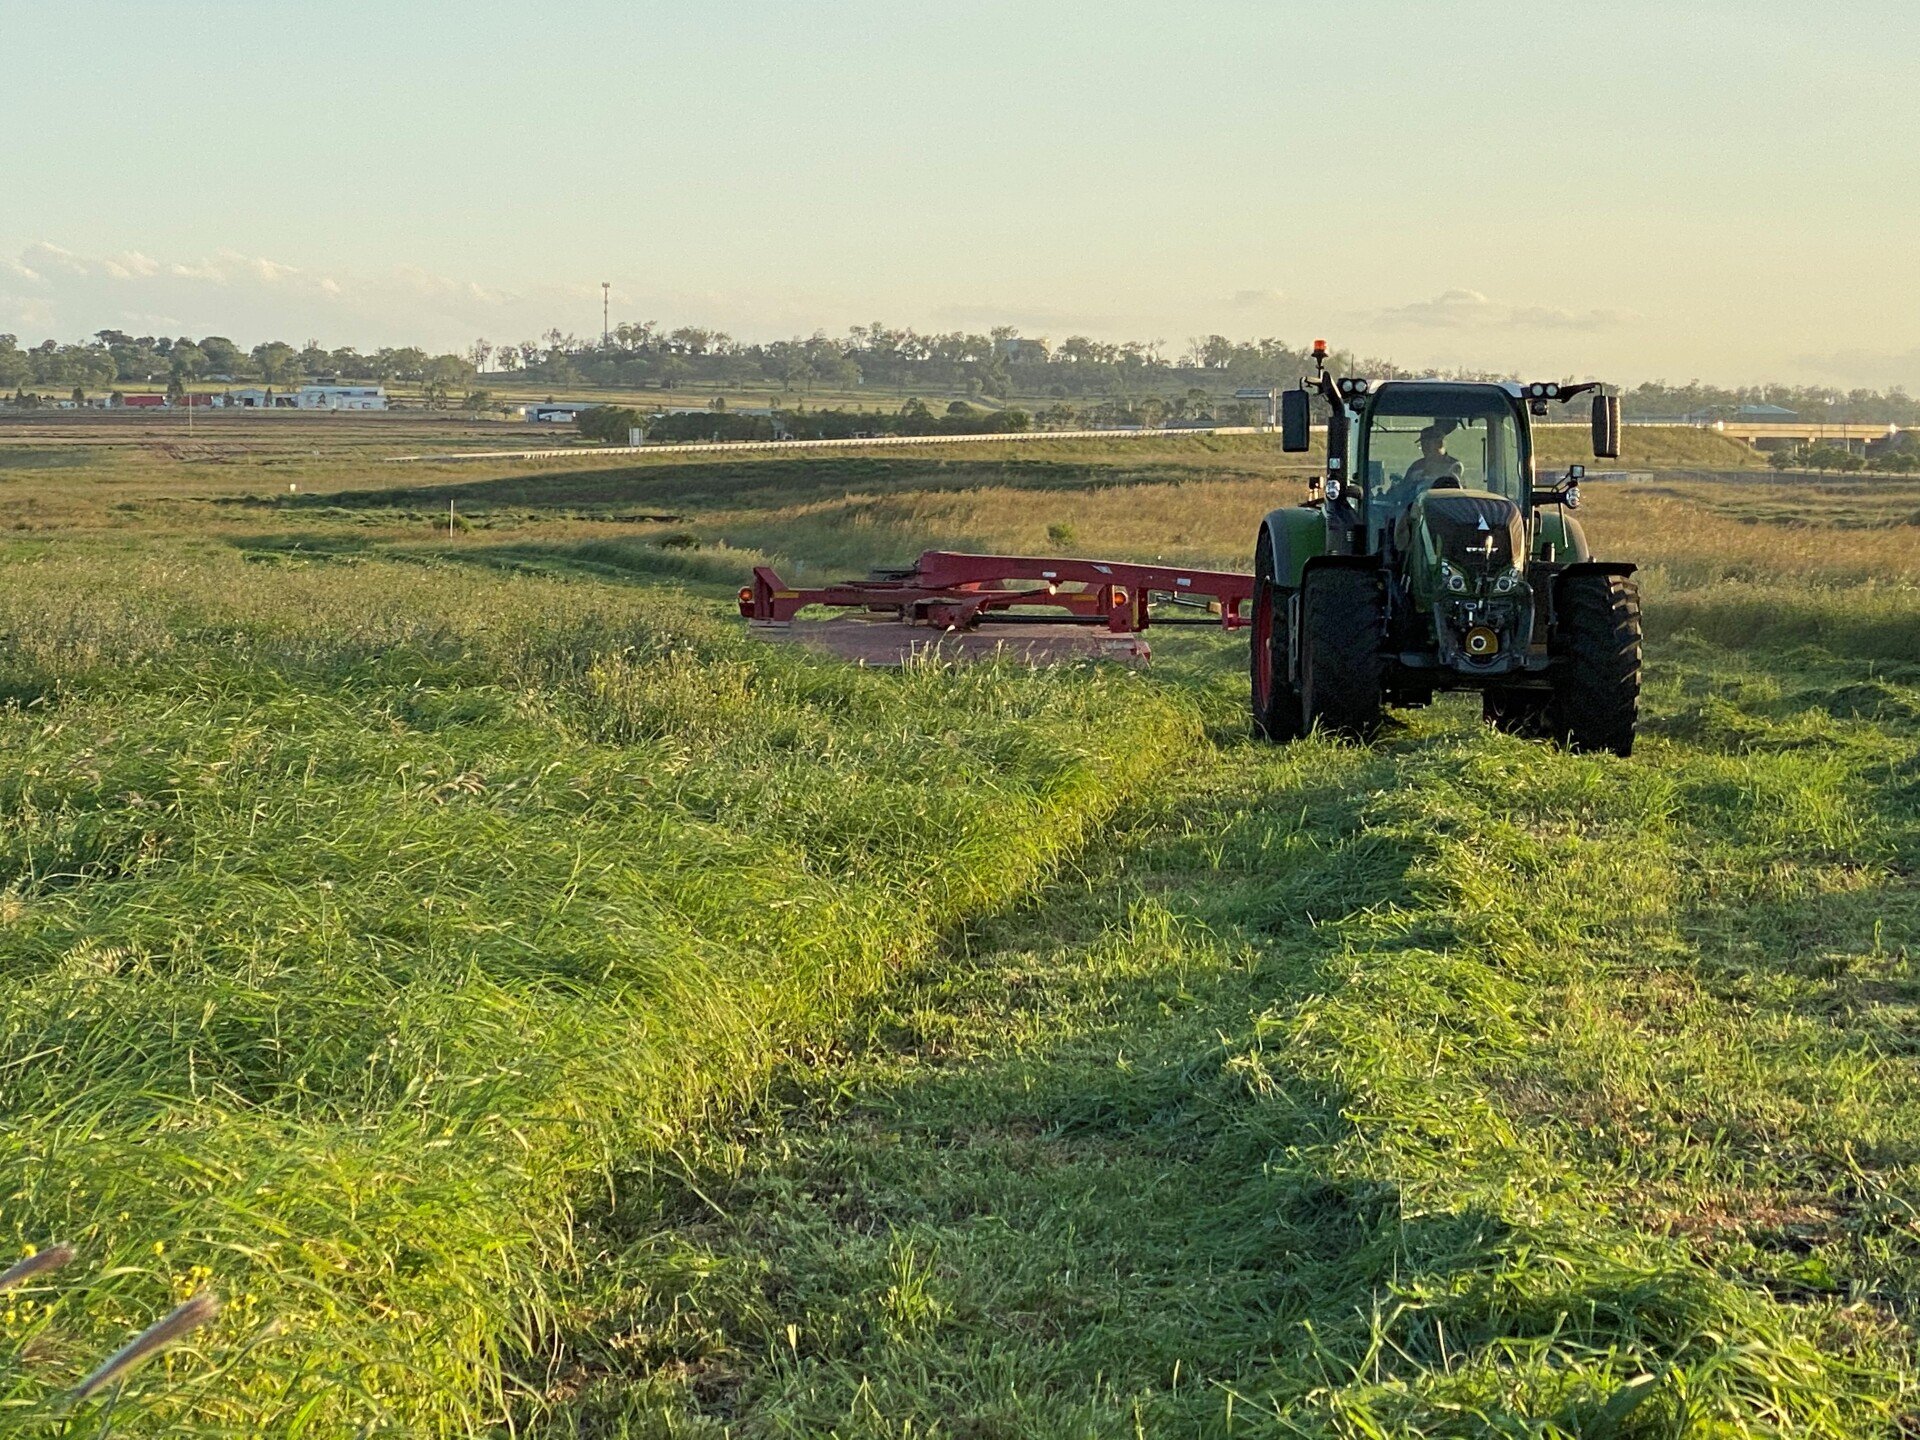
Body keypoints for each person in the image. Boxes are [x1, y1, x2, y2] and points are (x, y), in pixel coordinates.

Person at [1405, 423, 1464, 487]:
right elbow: (1404, 488)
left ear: (1439, 444)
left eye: (1427, 445)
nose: (1424, 449)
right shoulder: (1416, 466)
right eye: (1422, 445)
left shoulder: (1454, 466)